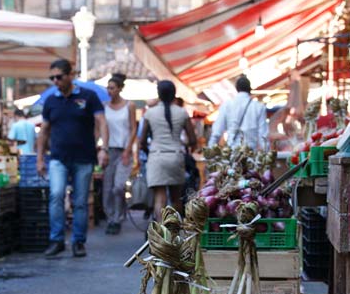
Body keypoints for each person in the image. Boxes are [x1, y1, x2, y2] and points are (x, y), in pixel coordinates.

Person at [35, 59, 109, 258]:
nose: (56, 81)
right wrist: (40, 158)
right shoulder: (51, 101)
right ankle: (57, 239)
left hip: (84, 157)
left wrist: (104, 149)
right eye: (52, 78)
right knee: (56, 195)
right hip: (58, 157)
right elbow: (44, 131)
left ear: (70, 75)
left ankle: (78, 241)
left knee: (80, 201)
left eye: (59, 76)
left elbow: (101, 122)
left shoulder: (88, 96)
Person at [143, 80, 196, 215]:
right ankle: (175, 231)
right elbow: (193, 140)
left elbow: (141, 141)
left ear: (159, 94)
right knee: (176, 199)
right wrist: (184, 146)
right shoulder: (182, 113)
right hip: (175, 156)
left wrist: (148, 150)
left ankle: (161, 233)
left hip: (157, 156)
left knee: (160, 199)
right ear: (174, 94)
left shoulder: (150, 113)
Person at [102, 73, 135, 235]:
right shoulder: (104, 106)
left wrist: (128, 150)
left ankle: (118, 217)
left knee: (118, 187)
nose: (109, 91)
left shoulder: (129, 106)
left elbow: (133, 129)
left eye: (112, 88)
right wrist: (102, 149)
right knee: (107, 187)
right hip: (109, 150)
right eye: (108, 88)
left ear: (120, 89)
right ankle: (111, 218)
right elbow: (101, 128)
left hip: (124, 150)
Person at [207, 75, 268, 150]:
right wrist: (266, 152)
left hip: (232, 151)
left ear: (237, 88)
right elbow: (263, 135)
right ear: (249, 89)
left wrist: (210, 149)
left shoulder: (227, 105)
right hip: (251, 152)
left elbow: (217, 131)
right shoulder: (259, 107)